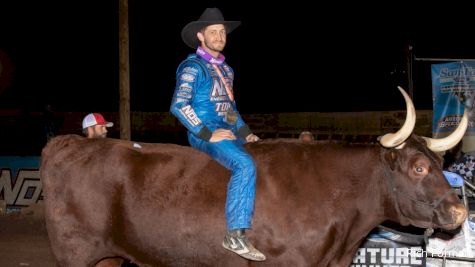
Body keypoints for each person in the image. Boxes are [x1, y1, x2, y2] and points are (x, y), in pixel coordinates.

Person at [170, 7, 265, 261]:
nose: (219, 36)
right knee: (245, 165)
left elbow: (229, 110)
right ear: (201, 36)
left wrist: (246, 134)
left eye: (222, 32)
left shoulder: (227, 70)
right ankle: (234, 235)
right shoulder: (193, 67)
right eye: (213, 32)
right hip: (203, 132)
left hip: (225, 129)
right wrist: (205, 133)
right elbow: (179, 105)